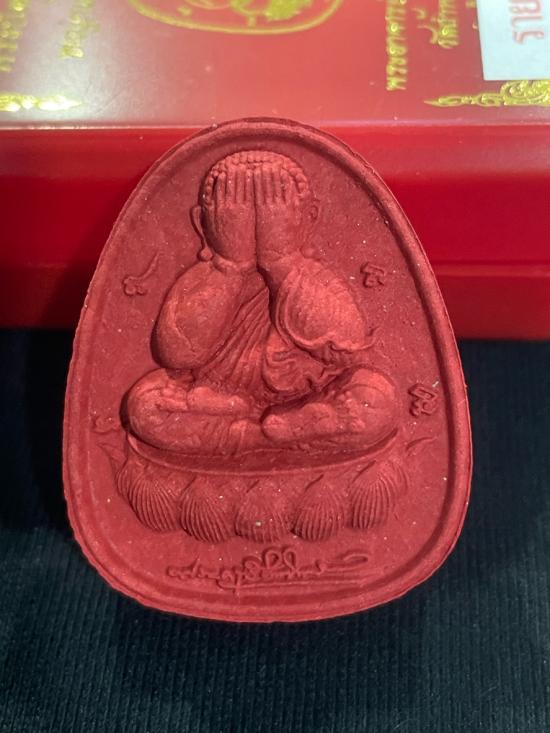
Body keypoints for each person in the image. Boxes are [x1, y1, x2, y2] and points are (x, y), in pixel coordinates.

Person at [125, 151, 398, 457]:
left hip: (308, 395)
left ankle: (302, 422)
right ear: (203, 224)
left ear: (309, 217)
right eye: (238, 212)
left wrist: (281, 262)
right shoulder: (203, 279)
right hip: (214, 396)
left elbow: (346, 348)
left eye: (273, 210)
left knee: (379, 400)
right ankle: (262, 437)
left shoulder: (315, 278)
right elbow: (177, 355)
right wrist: (231, 267)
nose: (256, 225)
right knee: (144, 405)